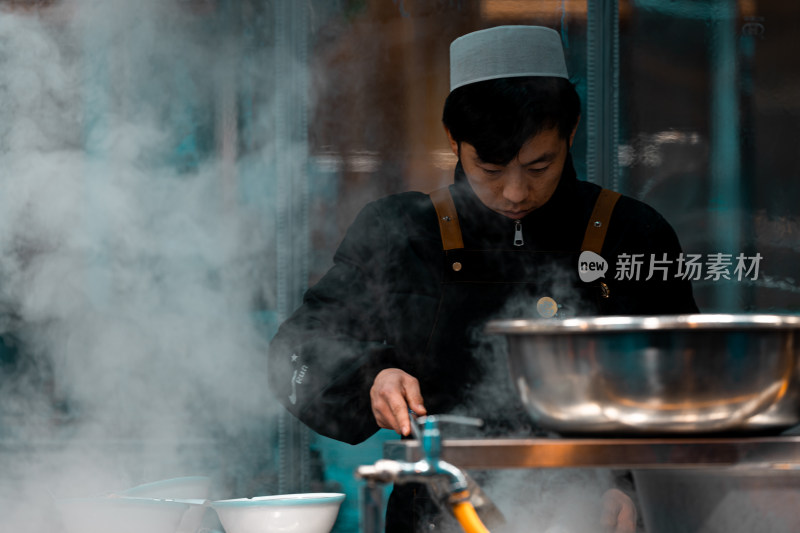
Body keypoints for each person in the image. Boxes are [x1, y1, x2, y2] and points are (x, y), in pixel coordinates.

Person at [268, 25, 698, 532]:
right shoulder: (402, 233)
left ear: (571, 131)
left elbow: (683, 390)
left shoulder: (633, 233)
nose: (516, 192)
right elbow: (295, 351)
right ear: (454, 140)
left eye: (541, 164)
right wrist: (372, 377)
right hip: (434, 519)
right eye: (490, 168)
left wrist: (632, 490)